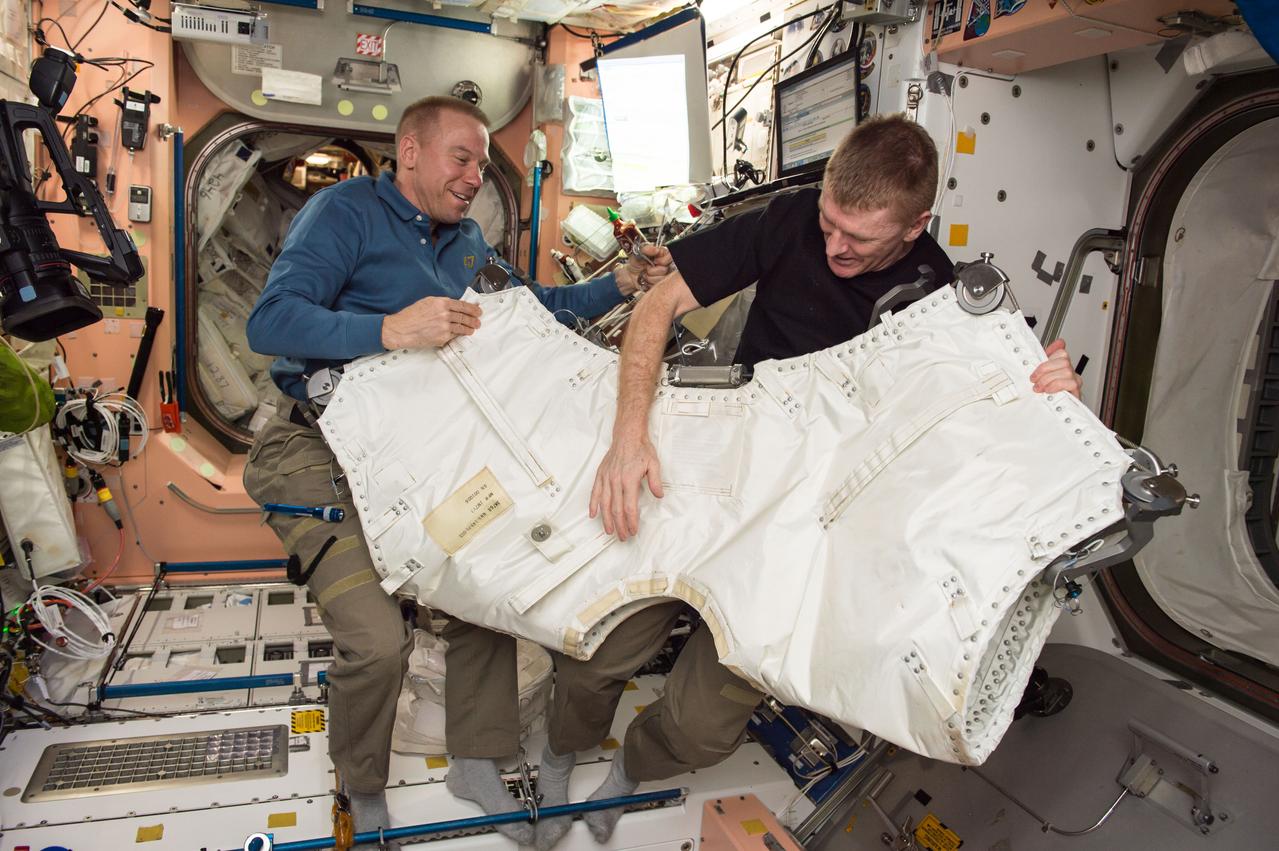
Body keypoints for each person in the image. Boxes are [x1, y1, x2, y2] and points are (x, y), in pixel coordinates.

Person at [531, 114, 1083, 850]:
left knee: (701, 727)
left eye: (859, 238)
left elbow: (976, 427)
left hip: (801, 521)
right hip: (713, 467)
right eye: (828, 223)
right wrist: (628, 437)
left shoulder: (939, 302)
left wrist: (1046, 397)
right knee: (594, 648)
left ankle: (631, 771)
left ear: (917, 225)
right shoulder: (789, 219)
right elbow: (659, 303)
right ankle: (561, 748)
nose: (834, 247)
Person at [242, 95, 664, 848]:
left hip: (417, 459)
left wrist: (627, 282)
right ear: (408, 152)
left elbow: (538, 307)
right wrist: (388, 330)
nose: (472, 176)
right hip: (316, 454)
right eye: (459, 158)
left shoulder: (465, 242)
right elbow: (269, 321)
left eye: (479, 163)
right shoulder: (345, 213)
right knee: (376, 641)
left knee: (485, 589)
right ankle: (361, 782)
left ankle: (473, 755)